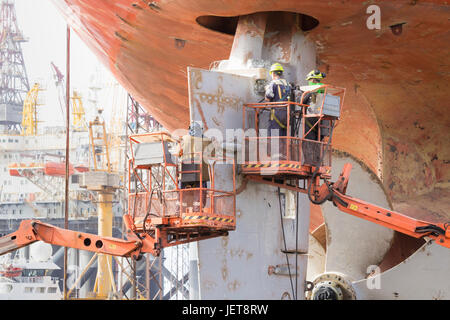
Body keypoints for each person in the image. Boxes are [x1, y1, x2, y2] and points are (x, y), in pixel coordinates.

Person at [302, 69, 327, 166]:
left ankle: (309, 161)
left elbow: (302, 101)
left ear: (312, 79)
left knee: (308, 140)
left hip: (311, 117)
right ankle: (318, 161)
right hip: (321, 118)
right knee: (318, 141)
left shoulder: (311, 89)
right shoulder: (324, 88)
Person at [264, 63, 292, 137]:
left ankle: (274, 148)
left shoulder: (273, 83)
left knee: (273, 136)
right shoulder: (288, 84)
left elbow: (268, 97)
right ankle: (283, 149)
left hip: (276, 113)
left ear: (273, 73)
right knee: (283, 137)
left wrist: (266, 89)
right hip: (287, 113)